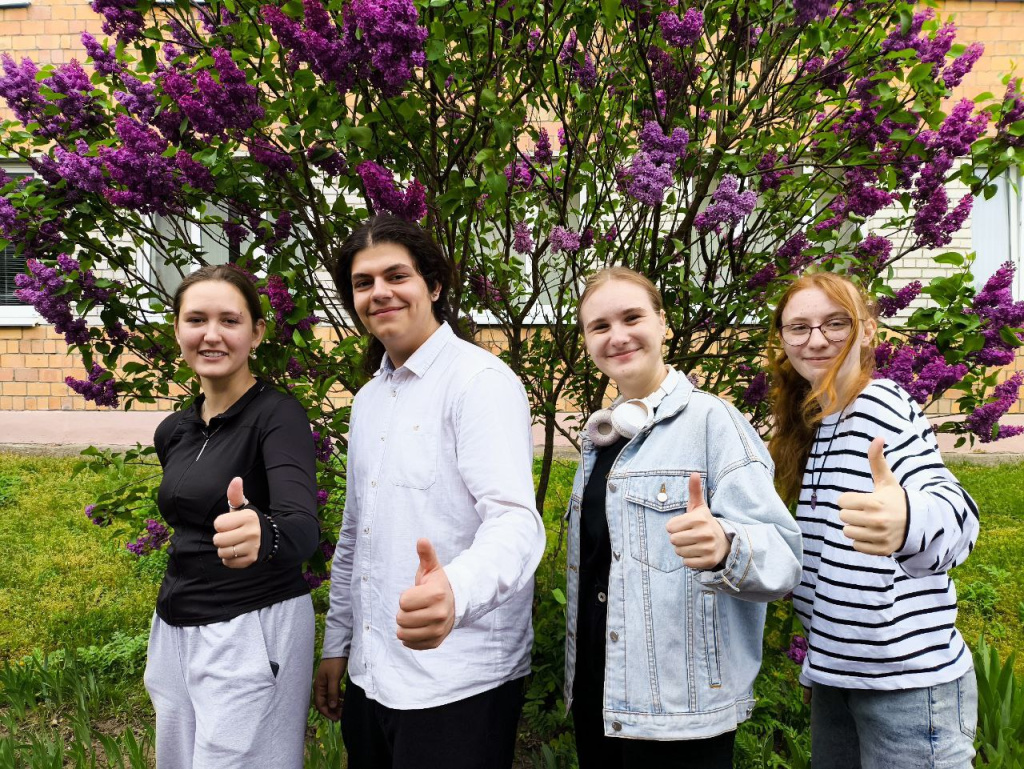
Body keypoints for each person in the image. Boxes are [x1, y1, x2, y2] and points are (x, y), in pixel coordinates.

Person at [314, 215, 546, 769]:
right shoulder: (371, 398)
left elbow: (516, 522)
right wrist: (338, 643)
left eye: (397, 275)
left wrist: (455, 592)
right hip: (374, 676)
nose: (379, 293)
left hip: (459, 680)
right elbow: (356, 531)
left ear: (434, 285)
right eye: (363, 283)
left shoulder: (479, 383)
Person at [565, 267, 803, 768]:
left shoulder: (714, 422)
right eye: (600, 326)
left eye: (633, 317)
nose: (618, 336)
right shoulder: (601, 439)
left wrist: (726, 546)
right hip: (600, 703)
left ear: (663, 325)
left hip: (681, 718)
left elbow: (784, 557)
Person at [767, 272, 979, 768]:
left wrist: (908, 522)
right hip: (838, 680)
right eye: (798, 327)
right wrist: (821, 667)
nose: (816, 339)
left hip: (906, 685)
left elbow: (957, 514)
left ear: (867, 331)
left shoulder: (882, 405)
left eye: (834, 323)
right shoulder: (812, 420)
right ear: (782, 339)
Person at [143, 264, 320, 769]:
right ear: (177, 330)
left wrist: (264, 533)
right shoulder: (175, 429)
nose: (212, 334)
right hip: (176, 630)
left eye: (230, 320)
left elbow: (302, 528)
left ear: (256, 332)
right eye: (196, 319)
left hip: (249, 629)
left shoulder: (278, 416)